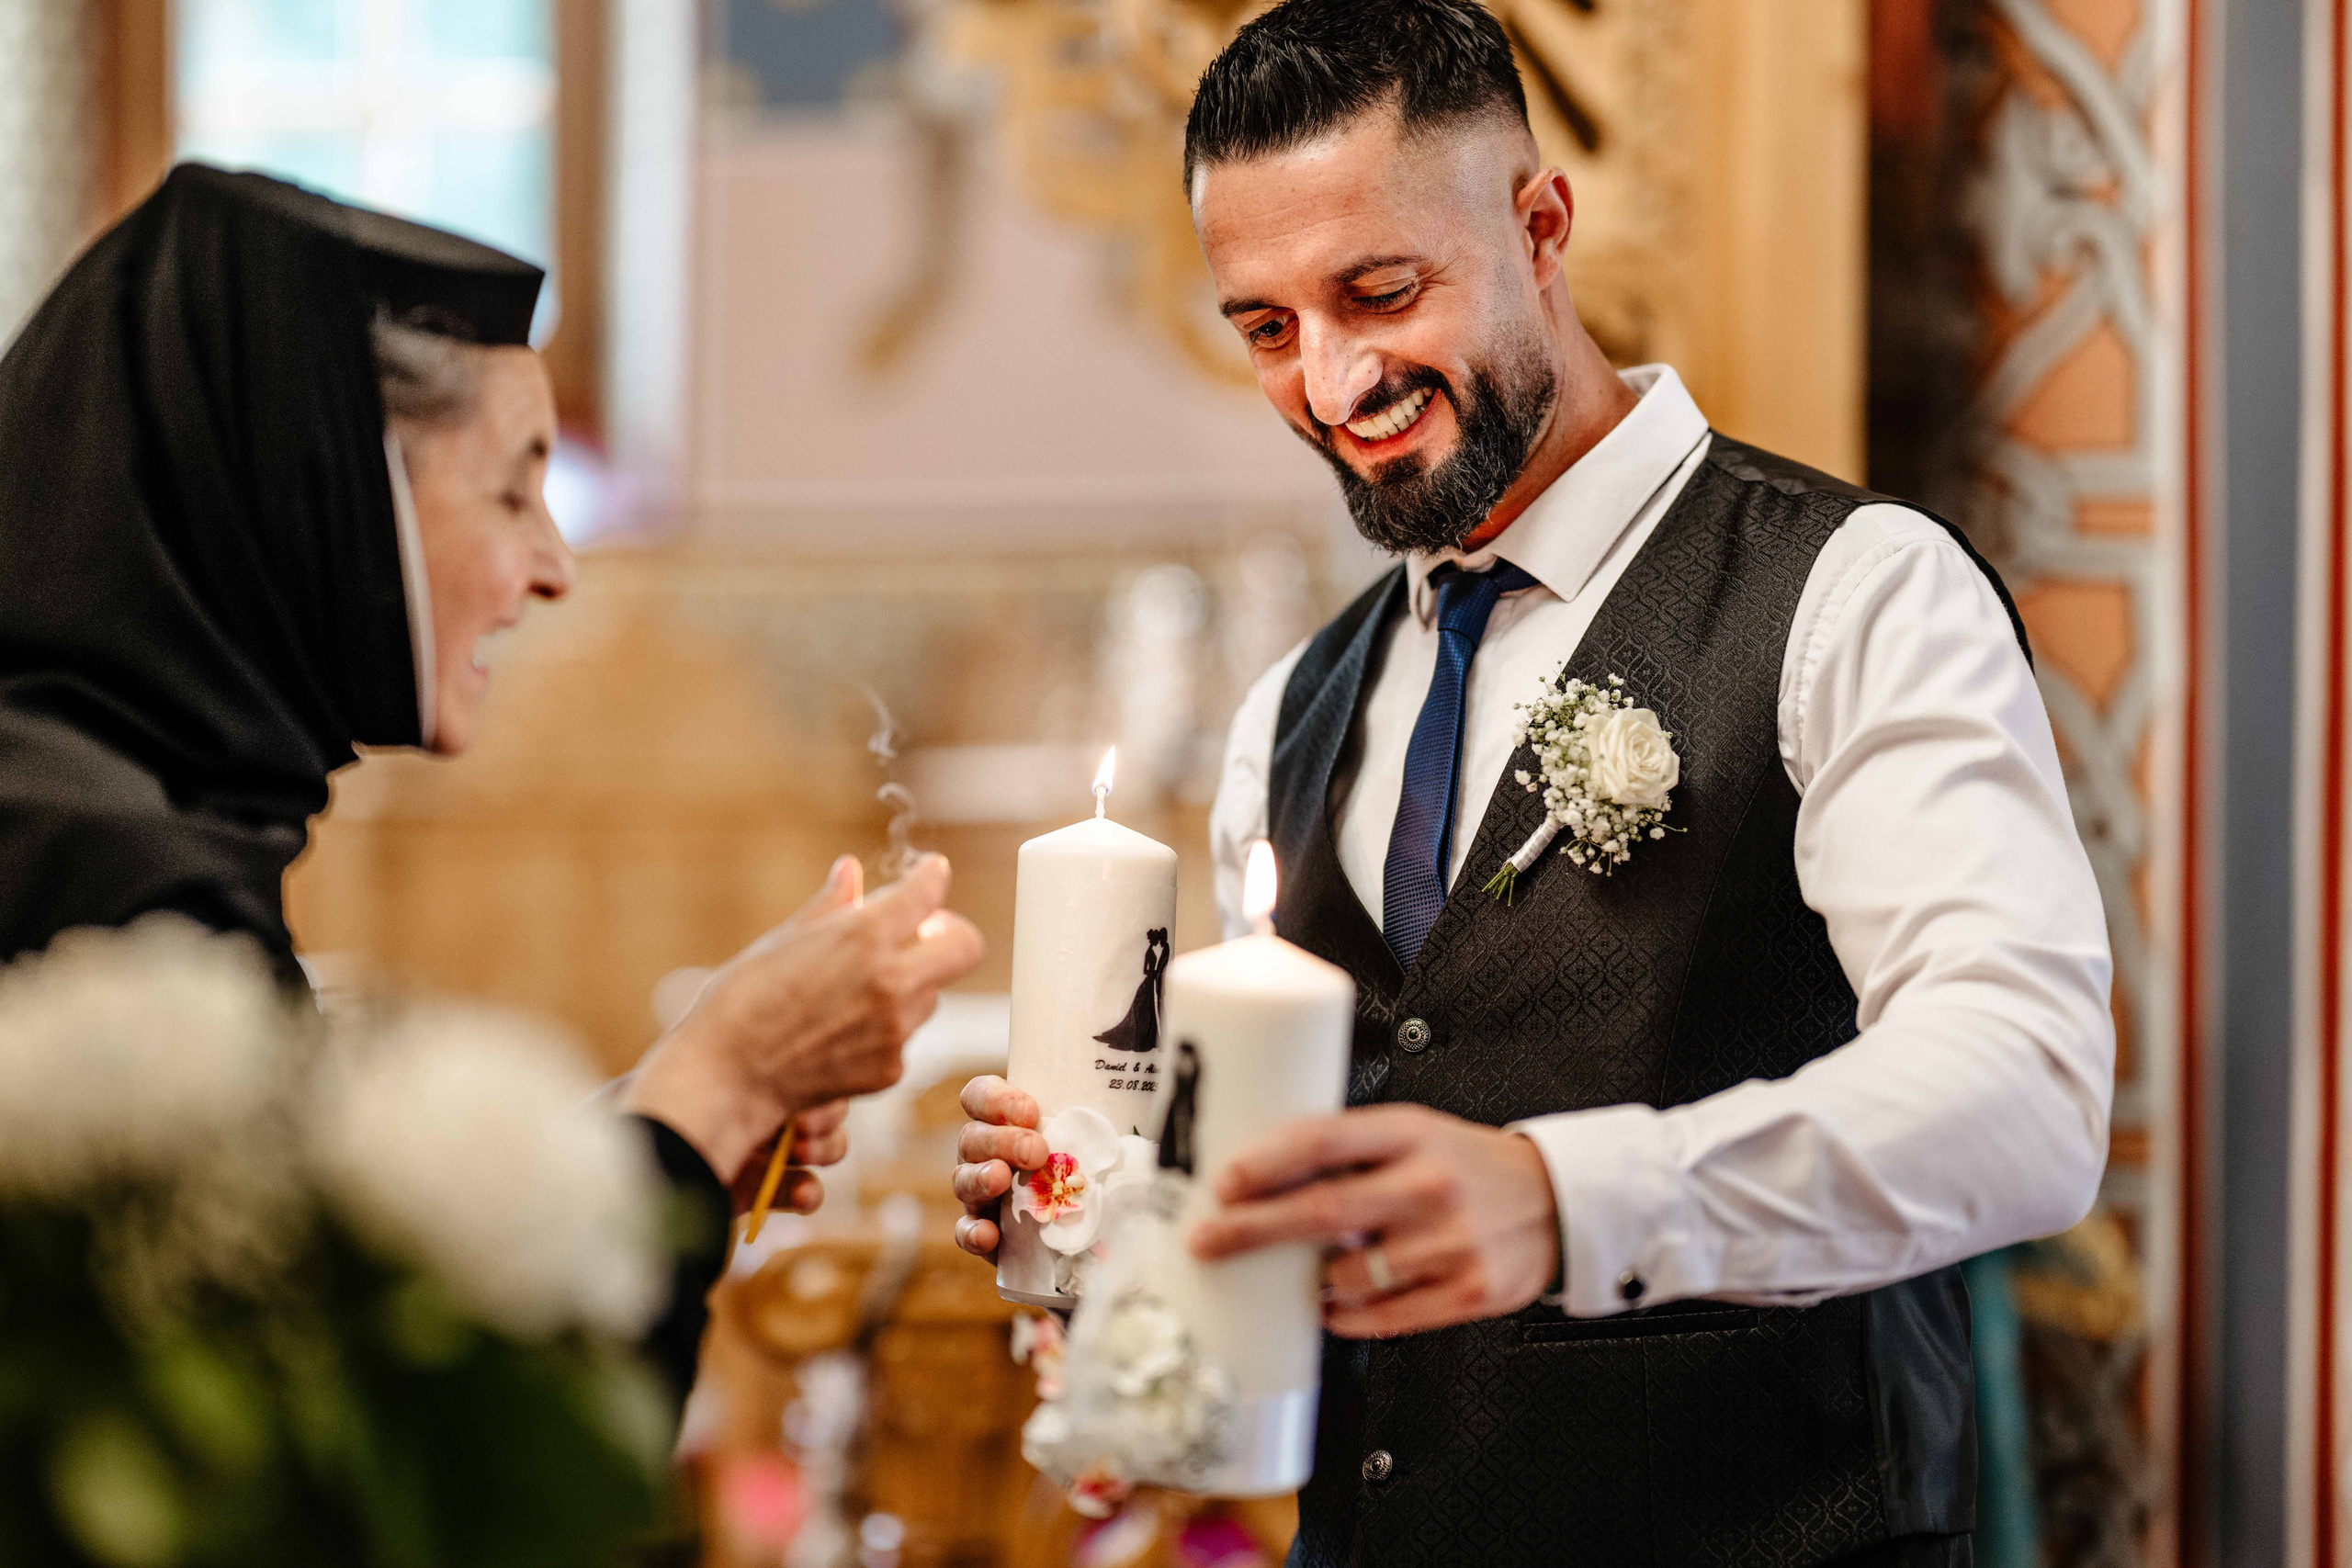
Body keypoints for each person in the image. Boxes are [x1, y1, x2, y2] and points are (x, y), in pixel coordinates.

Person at [954, 3, 2114, 1562]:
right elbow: (1278, 1217)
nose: (1334, 381)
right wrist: (1108, 1231)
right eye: (1267, 326)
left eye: (1381, 291)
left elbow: (2026, 1094)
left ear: (1541, 223)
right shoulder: (1290, 715)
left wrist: (1566, 1200)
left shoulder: (1858, 596)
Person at [0, 164, 984, 1406]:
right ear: (329, 501)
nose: (555, 565)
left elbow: (326, 1300)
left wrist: (635, 1142)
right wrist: (717, 1087)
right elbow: (335, 1463)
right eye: (513, 487)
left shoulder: (99, 802)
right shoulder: (111, 880)